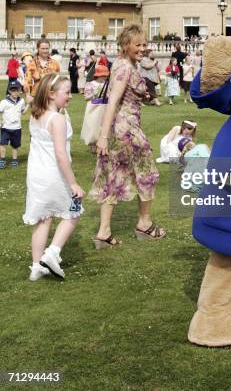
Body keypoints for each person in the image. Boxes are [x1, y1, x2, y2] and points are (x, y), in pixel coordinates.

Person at [90, 24, 165, 247]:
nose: (143, 48)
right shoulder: (125, 68)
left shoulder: (123, 65)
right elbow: (112, 101)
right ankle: (145, 223)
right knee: (147, 173)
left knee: (113, 177)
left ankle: (104, 232)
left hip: (118, 130)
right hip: (127, 129)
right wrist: (102, 137)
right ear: (125, 45)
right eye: (138, 44)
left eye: (144, 44)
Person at [23, 73, 85, 281]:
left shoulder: (35, 114)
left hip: (36, 175)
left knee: (43, 218)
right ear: (51, 94)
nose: (70, 96)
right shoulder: (57, 119)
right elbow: (60, 154)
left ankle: (36, 266)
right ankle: (52, 253)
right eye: (66, 92)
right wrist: (73, 183)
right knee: (74, 212)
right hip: (54, 175)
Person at [0, 80, 28, 169]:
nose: (15, 92)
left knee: (15, 146)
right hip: (6, 127)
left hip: (17, 128)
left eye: (17, 90)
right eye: (13, 90)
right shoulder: (4, 102)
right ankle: (2, 159)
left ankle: (14, 160)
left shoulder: (22, 101)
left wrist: (29, 104)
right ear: (9, 90)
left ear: (20, 90)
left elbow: (23, 112)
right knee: (2, 144)